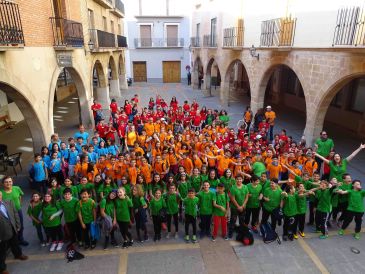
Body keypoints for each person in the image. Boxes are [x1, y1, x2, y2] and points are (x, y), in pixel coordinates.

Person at [0, 191, 28, 274]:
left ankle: (18, 255)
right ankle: (2, 268)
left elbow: (15, 213)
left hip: (12, 228)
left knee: (15, 243)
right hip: (2, 233)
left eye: (0, 195)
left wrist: (18, 225)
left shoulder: (9, 202)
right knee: (2, 251)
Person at [1, 176, 28, 246]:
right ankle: (13, 242)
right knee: (11, 228)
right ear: (3, 183)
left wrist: (19, 204)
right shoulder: (1, 192)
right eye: (6, 182)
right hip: (8, 213)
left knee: (20, 226)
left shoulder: (17, 188)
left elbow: (20, 196)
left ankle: (20, 239)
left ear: (12, 182)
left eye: (10, 181)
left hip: (18, 210)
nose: (8, 183)